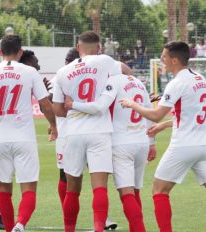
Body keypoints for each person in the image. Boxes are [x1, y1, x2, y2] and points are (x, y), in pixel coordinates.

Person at [120, 41, 206, 232]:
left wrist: (132, 104)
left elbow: (156, 114)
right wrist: (164, 126)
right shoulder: (200, 79)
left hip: (184, 145)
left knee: (159, 190)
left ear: (174, 60)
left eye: (164, 57)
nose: (161, 60)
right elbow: (190, 116)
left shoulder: (176, 83)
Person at [0, 35, 58, 232]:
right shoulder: (30, 72)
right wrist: (54, 125)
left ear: (0, 53)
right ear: (20, 51)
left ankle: (10, 229)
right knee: (28, 189)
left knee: (4, 190)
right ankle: (21, 224)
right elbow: (45, 104)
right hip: (23, 137)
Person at [52, 31, 132, 232]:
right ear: (98, 48)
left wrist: (73, 107)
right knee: (99, 187)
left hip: (73, 132)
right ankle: (99, 228)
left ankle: (69, 229)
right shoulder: (105, 61)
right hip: (99, 131)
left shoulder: (62, 72)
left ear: (78, 47)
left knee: (72, 189)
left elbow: (58, 110)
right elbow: (128, 72)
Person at [63, 73, 157, 232]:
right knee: (134, 192)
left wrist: (73, 104)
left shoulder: (112, 81)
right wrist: (151, 143)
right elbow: (149, 113)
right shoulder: (138, 82)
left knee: (126, 194)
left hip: (121, 142)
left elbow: (99, 107)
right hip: (141, 141)